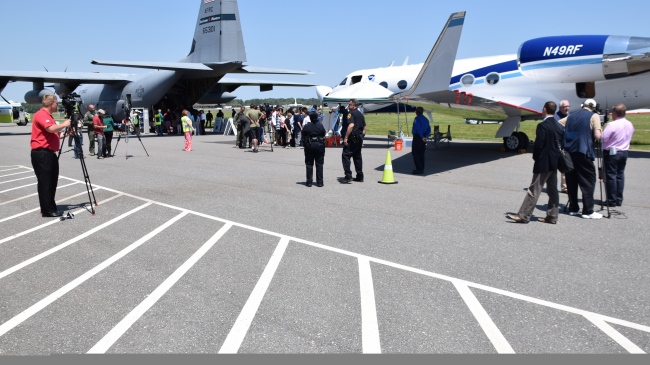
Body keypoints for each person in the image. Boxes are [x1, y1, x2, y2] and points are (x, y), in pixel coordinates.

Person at [508, 102, 564, 224]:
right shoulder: (559, 126)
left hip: (544, 162)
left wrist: (536, 157)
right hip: (554, 162)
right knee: (553, 190)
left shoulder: (543, 125)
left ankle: (523, 215)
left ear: (544, 109)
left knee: (534, 189)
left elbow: (539, 145)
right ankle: (552, 216)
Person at [558, 99, 603, 219]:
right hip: (583, 151)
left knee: (571, 179)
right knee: (588, 179)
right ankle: (588, 210)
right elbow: (597, 136)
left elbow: (558, 124)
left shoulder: (571, 116)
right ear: (593, 107)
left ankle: (573, 208)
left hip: (569, 151)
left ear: (583, 106)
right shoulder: (594, 116)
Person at [30, 94, 71, 217]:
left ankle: (51, 206)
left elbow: (55, 135)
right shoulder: (41, 114)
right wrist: (64, 124)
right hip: (42, 153)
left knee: (52, 181)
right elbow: (51, 129)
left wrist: (69, 132)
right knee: (45, 182)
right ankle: (47, 210)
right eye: (56, 103)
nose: (57, 105)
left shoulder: (49, 116)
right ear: (50, 104)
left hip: (50, 153)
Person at [602, 103, 634, 207]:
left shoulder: (612, 125)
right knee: (620, 176)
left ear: (615, 114)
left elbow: (603, 138)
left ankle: (611, 200)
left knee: (611, 176)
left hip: (612, 152)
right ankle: (618, 199)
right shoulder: (629, 124)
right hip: (624, 152)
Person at [341, 99, 366, 183]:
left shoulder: (351, 114)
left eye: (349, 104)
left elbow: (351, 125)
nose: (348, 106)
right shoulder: (361, 115)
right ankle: (360, 176)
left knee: (345, 155)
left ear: (353, 105)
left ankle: (348, 176)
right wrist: (362, 138)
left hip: (352, 138)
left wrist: (346, 137)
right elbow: (364, 128)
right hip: (359, 139)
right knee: (357, 157)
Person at [302, 111, 326, 187]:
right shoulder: (320, 126)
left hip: (309, 145)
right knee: (319, 164)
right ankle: (320, 182)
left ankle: (309, 182)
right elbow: (323, 133)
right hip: (319, 145)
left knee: (309, 164)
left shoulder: (307, 126)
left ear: (310, 118)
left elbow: (303, 134)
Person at [554, 100, 570, 193]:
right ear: (560, 108)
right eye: (564, 107)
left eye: (568, 106)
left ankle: (565, 187)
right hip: (558, 144)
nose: (567, 108)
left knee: (565, 165)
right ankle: (551, 185)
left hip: (566, 144)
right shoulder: (556, 117)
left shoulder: (570, 116)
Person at [411, 107, 431, 174]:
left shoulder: (417, 119)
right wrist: (426, 137)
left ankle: (419, 168)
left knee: (415, 153)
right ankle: (422, 168)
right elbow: (429, 129)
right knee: (421, 153)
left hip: (418, 137)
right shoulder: (426, 119)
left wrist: (422, 137)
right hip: (424, 136)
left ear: (417, 112)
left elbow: (417, 129)